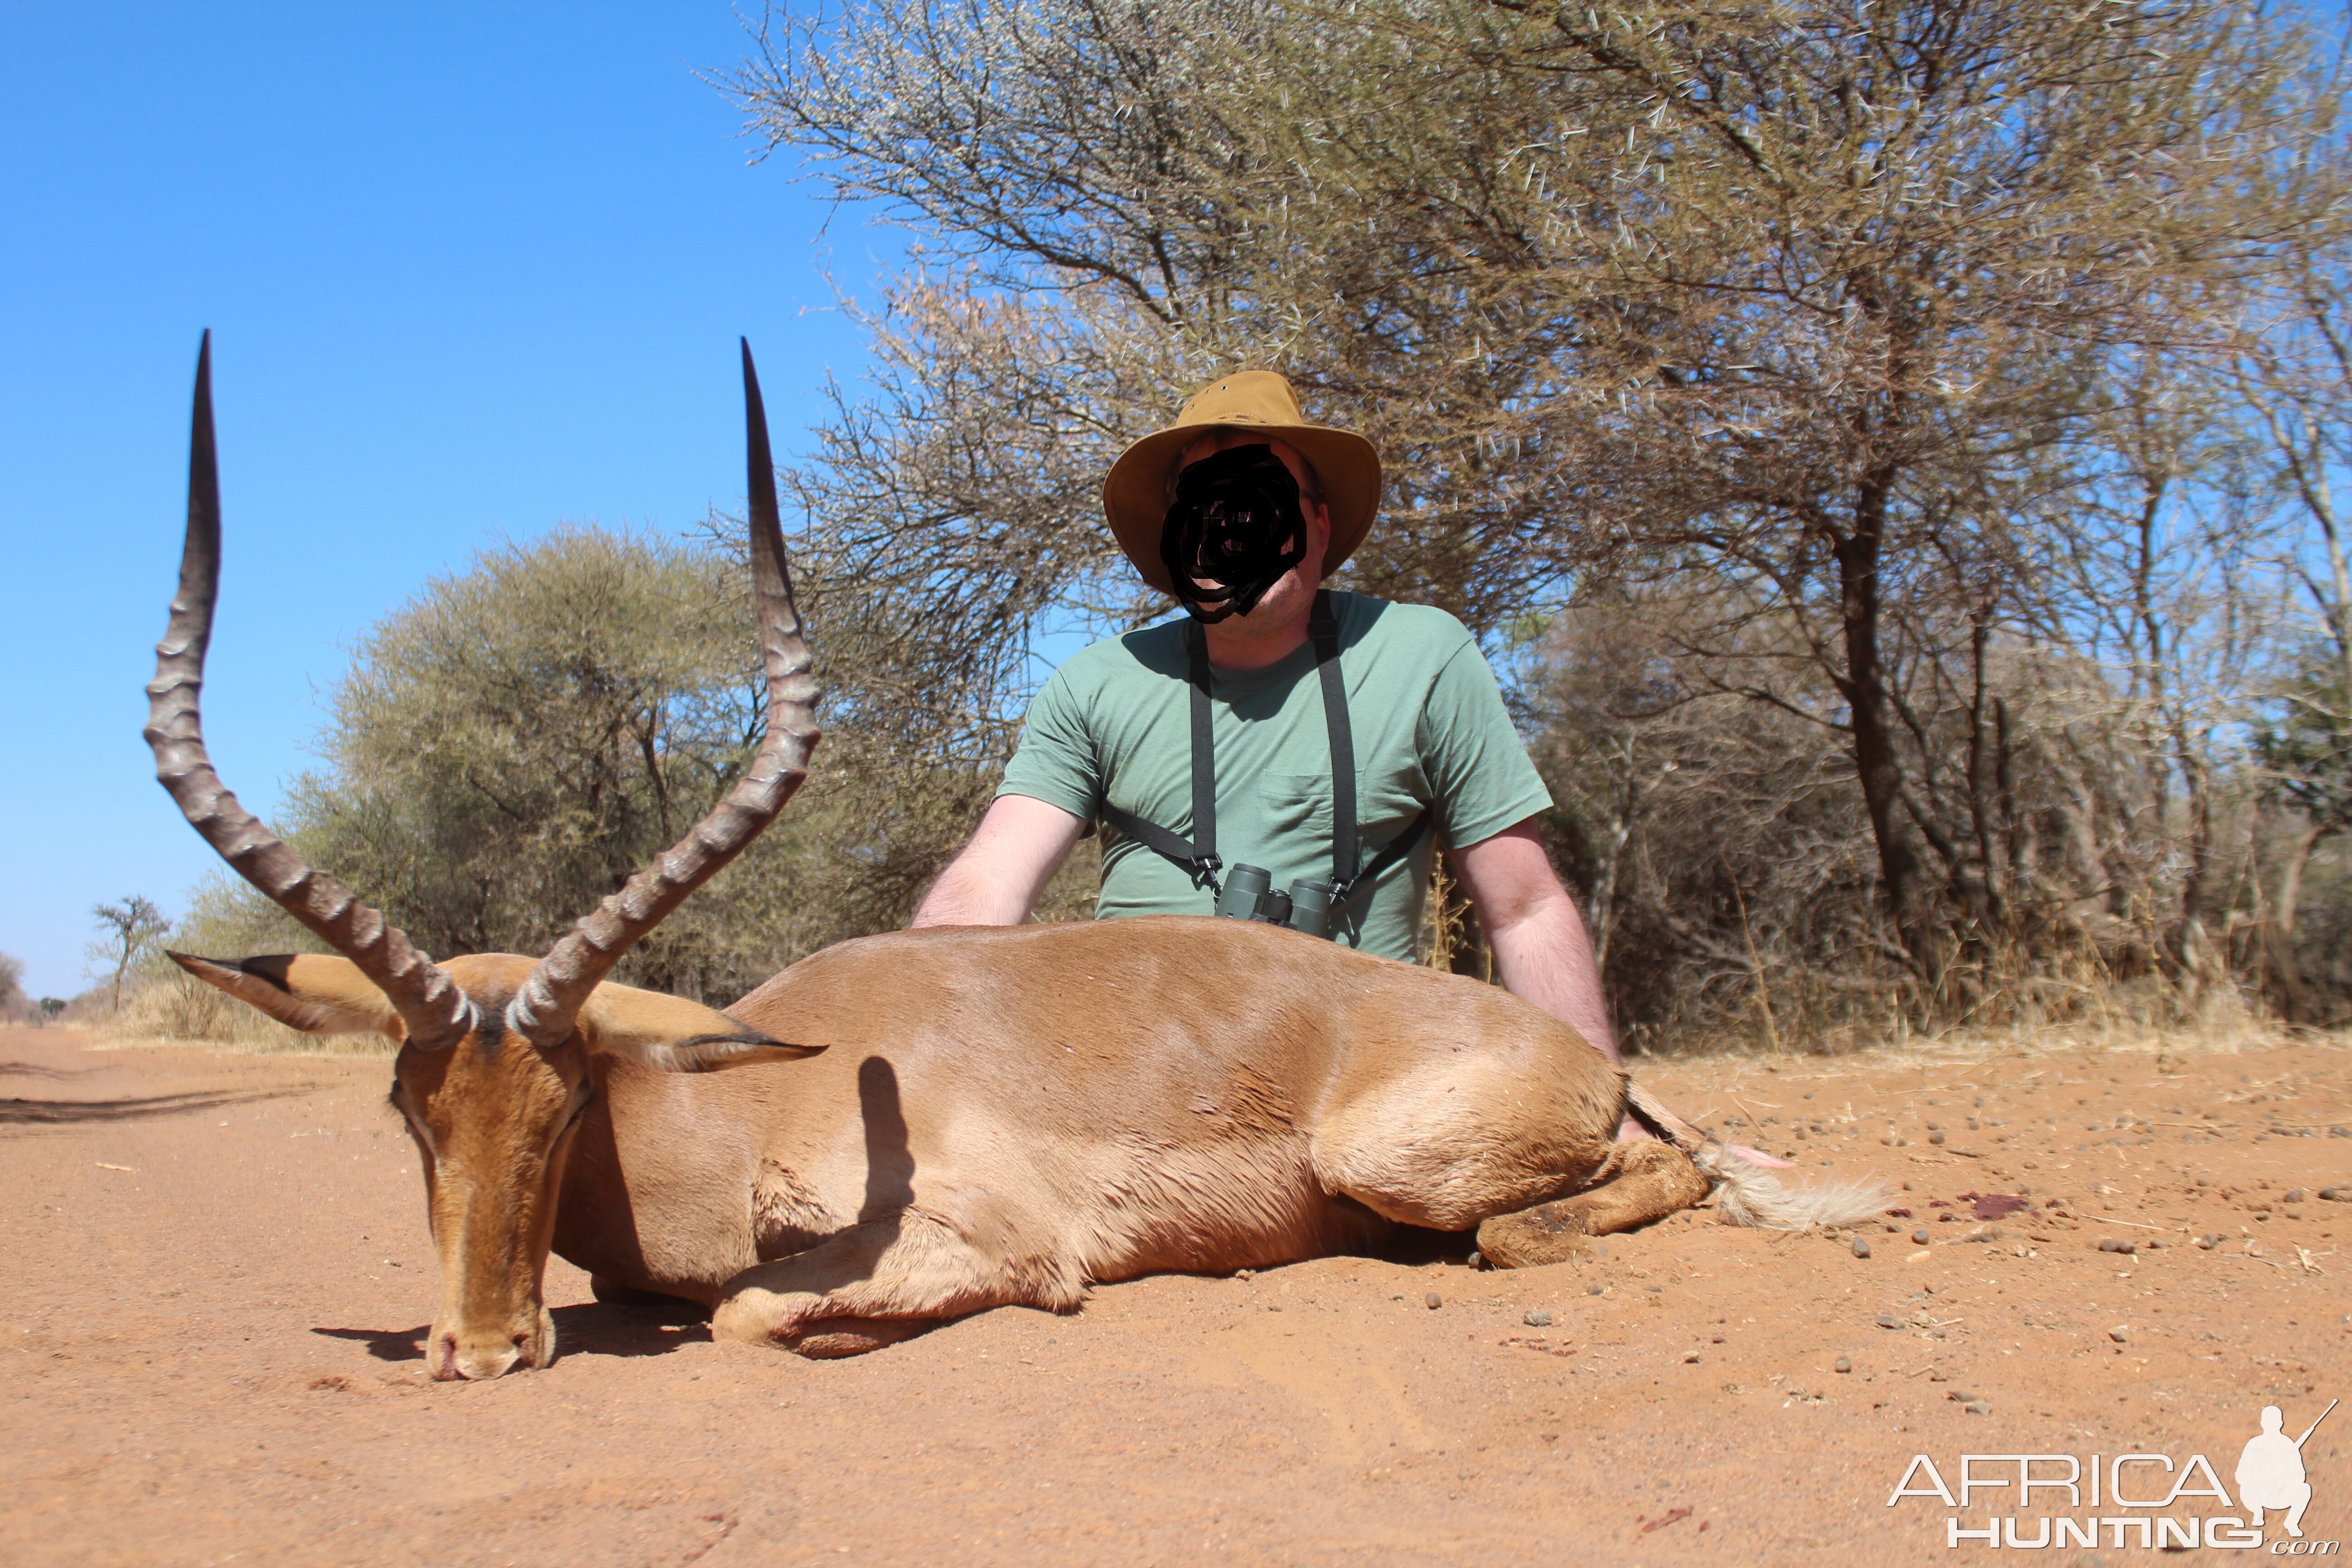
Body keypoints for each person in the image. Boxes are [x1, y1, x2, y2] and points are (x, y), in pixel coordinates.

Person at [910, 370, 1627, 1070]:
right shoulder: (1094, 683)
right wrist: (902, 1020)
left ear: (1318, 522)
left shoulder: (1426, 655)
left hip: (1368, 1085)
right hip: (1132, 1084)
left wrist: (1608, 1111)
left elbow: (1525, 909)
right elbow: (993, 878)